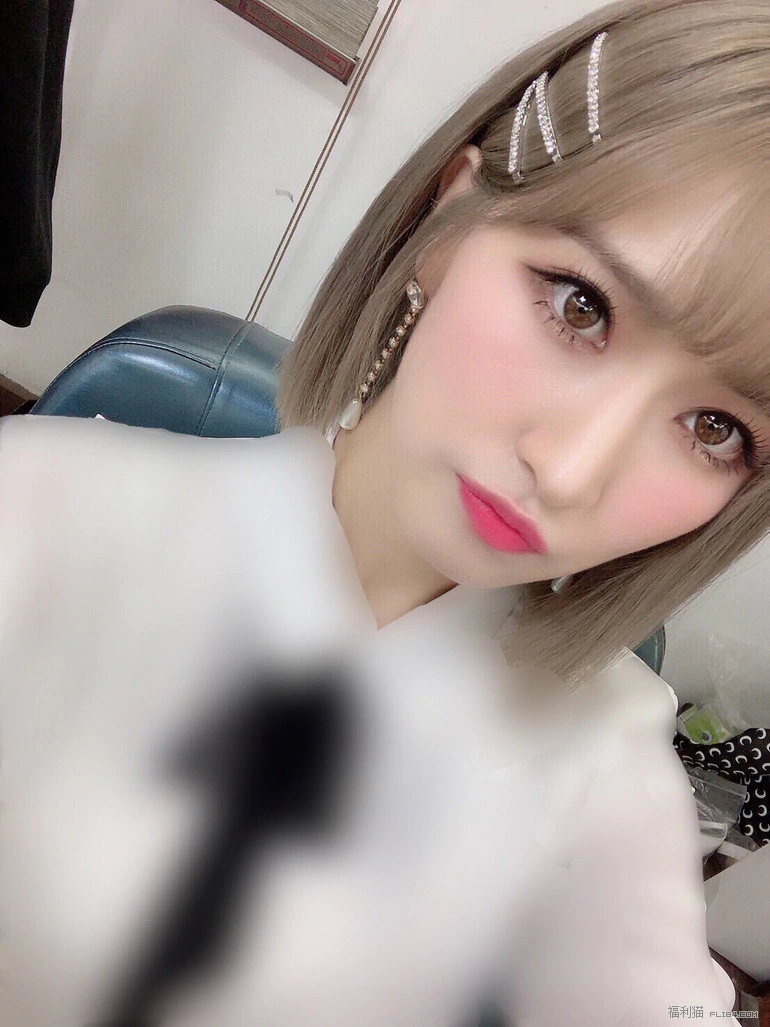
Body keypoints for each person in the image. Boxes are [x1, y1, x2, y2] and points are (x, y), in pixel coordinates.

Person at [2, 0, 768, 1024]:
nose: (572, 470)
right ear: (450, 221)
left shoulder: (607, 777)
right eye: (579, 305)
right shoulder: (40, 507)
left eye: (714, 428)